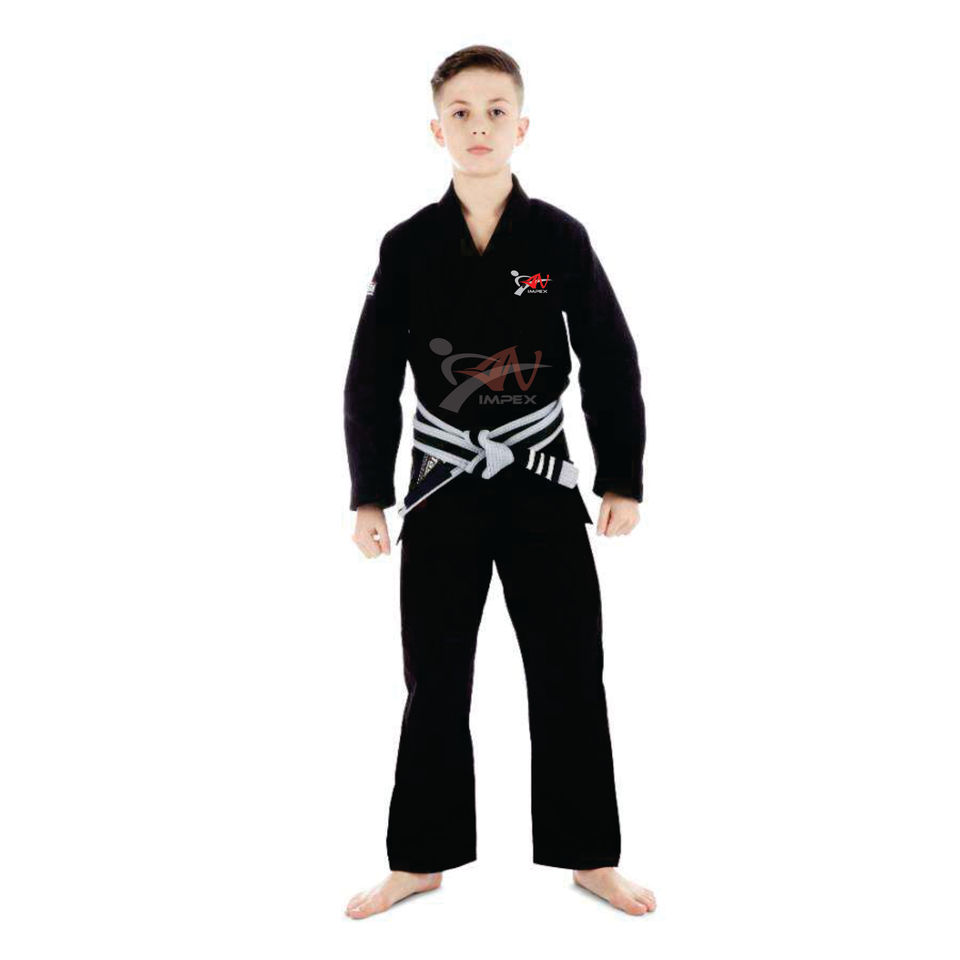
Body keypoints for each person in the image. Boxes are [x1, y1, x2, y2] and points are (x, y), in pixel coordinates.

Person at [342, 45, 657, 920]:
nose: (477, 127)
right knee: (434, 677)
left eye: (494, 111)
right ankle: (420, 859)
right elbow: (371, 377)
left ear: (522, 127)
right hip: (443, 485)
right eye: (461, 112)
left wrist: (621, 477)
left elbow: (612, 359)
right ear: (435, 128)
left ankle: (590, 855)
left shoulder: (557, 238)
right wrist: (369, 493)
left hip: (541, 484)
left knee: (570, 669)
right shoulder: (408, 245)